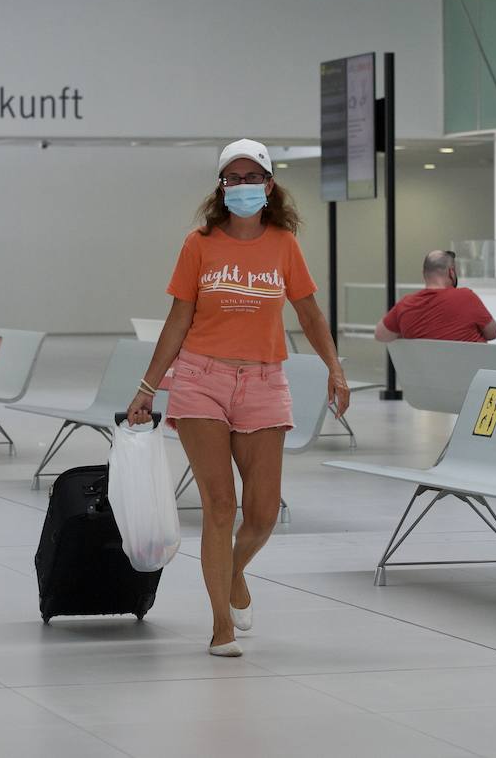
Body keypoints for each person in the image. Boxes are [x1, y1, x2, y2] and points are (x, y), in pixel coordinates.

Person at [127, 139, 349, 658]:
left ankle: (235, 572)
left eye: (253, 178)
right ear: (221, 188)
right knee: (220, 506)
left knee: (264, 513)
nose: (243, 186)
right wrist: (146, 386)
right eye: (233, 179)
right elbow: (179, 317)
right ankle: (220, 625)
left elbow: (310, 315)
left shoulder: (283, 244)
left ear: (269, 186)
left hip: (265, 382)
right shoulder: (199, 244)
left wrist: (335, 369)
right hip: (201, 379)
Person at [374, 249, 496, 344]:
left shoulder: (405, 305)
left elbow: (381, 335)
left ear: (424, 274)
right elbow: (493, 333)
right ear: (451, 272)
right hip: (469, 375)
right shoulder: (466, 297)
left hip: (426, 376)